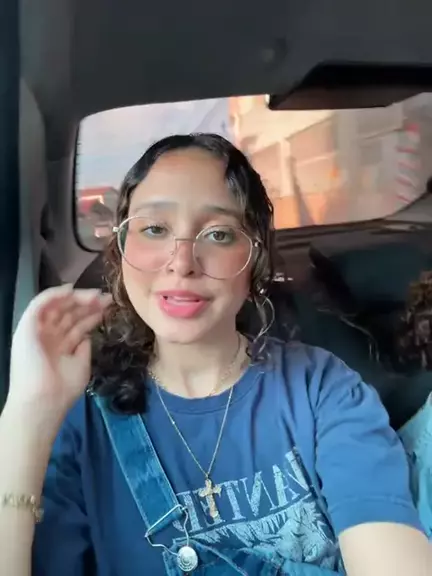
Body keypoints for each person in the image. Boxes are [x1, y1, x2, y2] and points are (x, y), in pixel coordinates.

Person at [0, 133, 430, 576]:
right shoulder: (79, 422)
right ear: (122, 249)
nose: (182, 262)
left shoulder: (321, 389)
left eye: (219, 234)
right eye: (154, 229)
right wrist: (26, 415)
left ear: (255, 260)